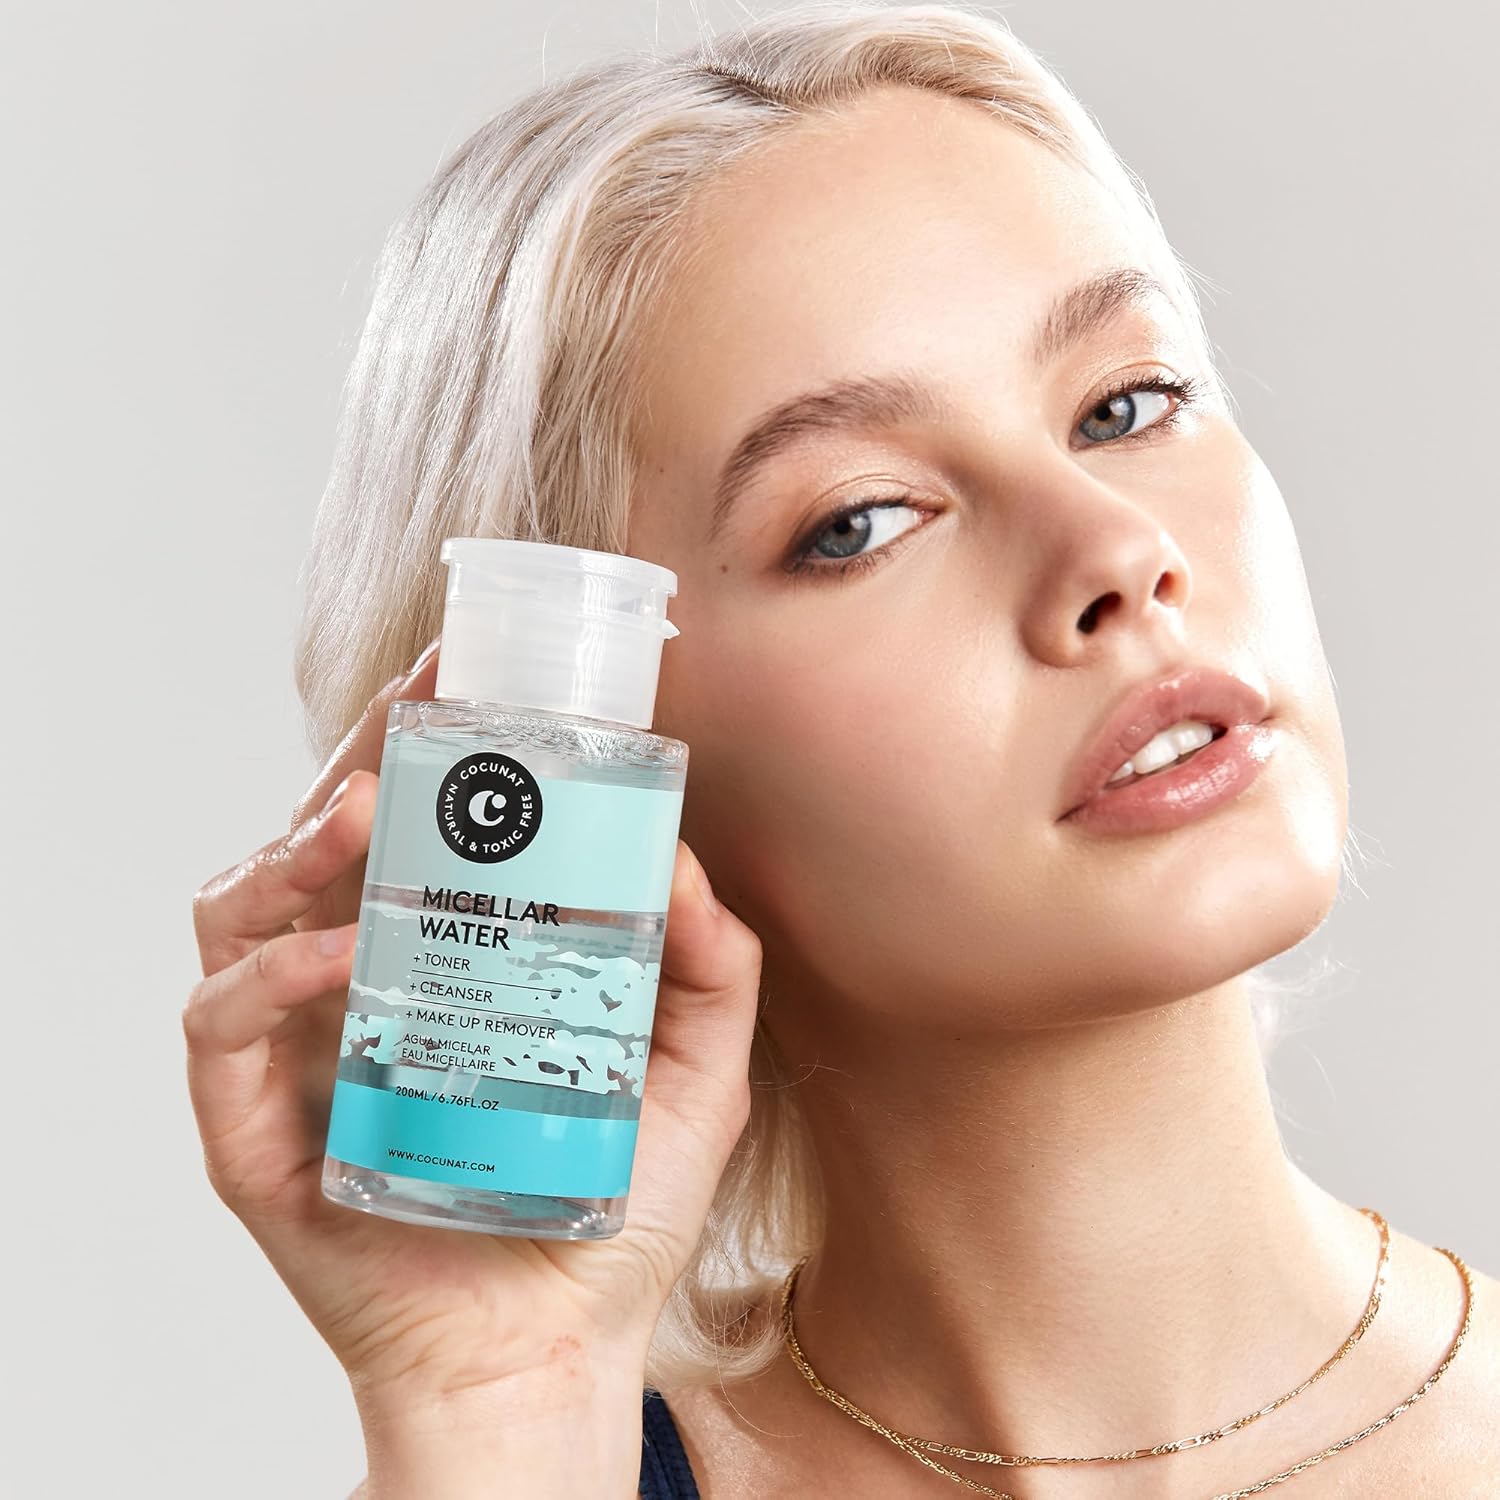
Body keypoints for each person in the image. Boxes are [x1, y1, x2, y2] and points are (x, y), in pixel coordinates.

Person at [184, 4, 1500, 1495]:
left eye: (1127, 405)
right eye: (859, 521)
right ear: (591, 762)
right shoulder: (527, 1450)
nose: (1118, 551)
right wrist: (491, 1409)